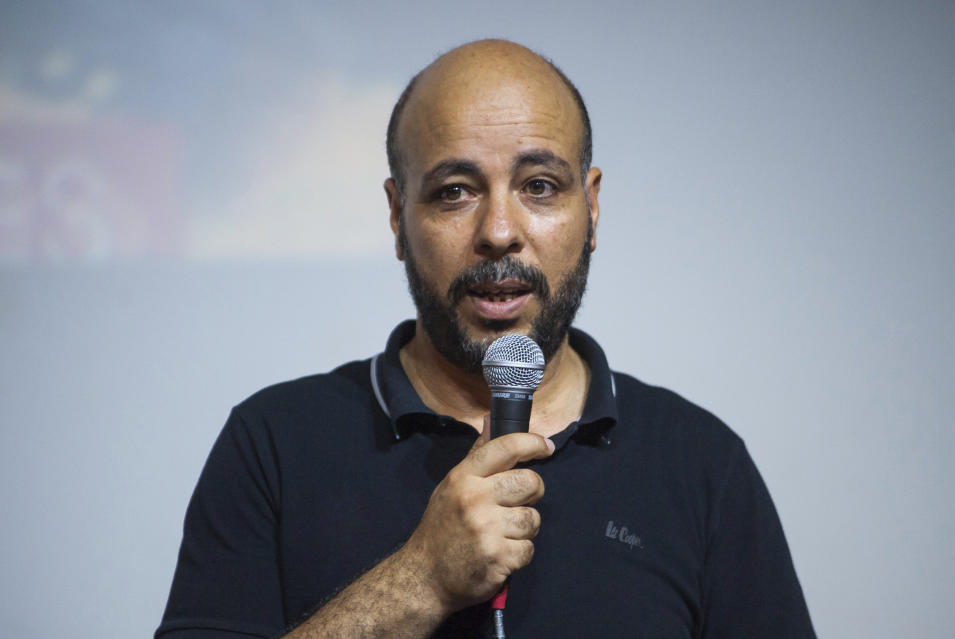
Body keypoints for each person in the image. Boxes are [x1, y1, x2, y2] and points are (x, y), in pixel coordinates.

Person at [156, 40, 816, 638]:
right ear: (396, 216)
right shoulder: (274, 442)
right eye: (454, 192)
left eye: (539, 186)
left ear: (591, 207)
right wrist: (419, 580)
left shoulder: (701, 465)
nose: (499, 230)